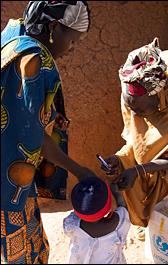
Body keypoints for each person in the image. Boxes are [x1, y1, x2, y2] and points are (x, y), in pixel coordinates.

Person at [1, 1, 97, 264]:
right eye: (73, 40)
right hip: (6, 182)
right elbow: (31, 135)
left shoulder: (15, 36)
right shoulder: (32, 60)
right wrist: (78, 170)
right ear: (55, 28)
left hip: (9, 165)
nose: (71, 48)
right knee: (22, 253)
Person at [101, 38, 168, 240]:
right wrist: (120, 160)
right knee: (167, 219)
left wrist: (140, 169)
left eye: (140, 110)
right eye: (131, 108)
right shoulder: (133, 89)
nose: (136, 115)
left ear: (159, 95)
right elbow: (141, 143)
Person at [63, 176, 131, 264]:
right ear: (108, 206)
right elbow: (123, 208)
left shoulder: (71, 224)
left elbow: (74, 218)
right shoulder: (117, 222)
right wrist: (115, 191)